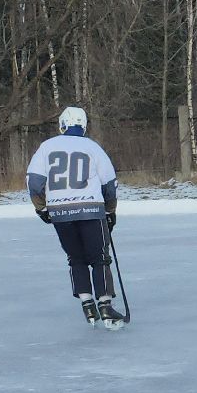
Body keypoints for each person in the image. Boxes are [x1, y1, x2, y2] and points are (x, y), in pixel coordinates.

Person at [26, 106, 125, 329]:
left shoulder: (47, 147)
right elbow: (109, 183)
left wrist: (41, 208)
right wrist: (110, 211)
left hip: (60, 212)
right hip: (91, 210)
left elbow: (34, 182)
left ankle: (87, 304)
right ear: (84, 125)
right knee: (99, 257)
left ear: (62, 125)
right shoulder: (92, 147)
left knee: (76, 257)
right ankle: (106, 306)